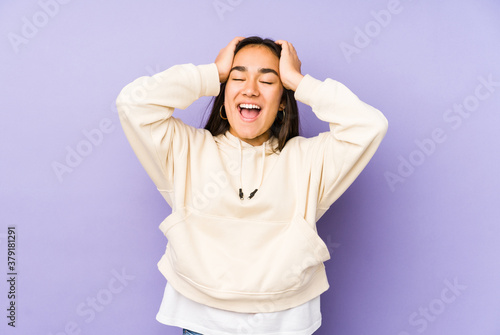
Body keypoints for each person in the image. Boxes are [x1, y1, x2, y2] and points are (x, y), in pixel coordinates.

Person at [116, 36, 388, 335]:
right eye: (237, 77)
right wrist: (210, 73)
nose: (250, 88)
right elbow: (133, 103)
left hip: (284, 322)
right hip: (201, 320)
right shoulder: (186, 150)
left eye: (268, 81)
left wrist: (299, 81)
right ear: (223, 94)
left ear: (283, 102)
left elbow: (369, 125)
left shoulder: (309, 159)